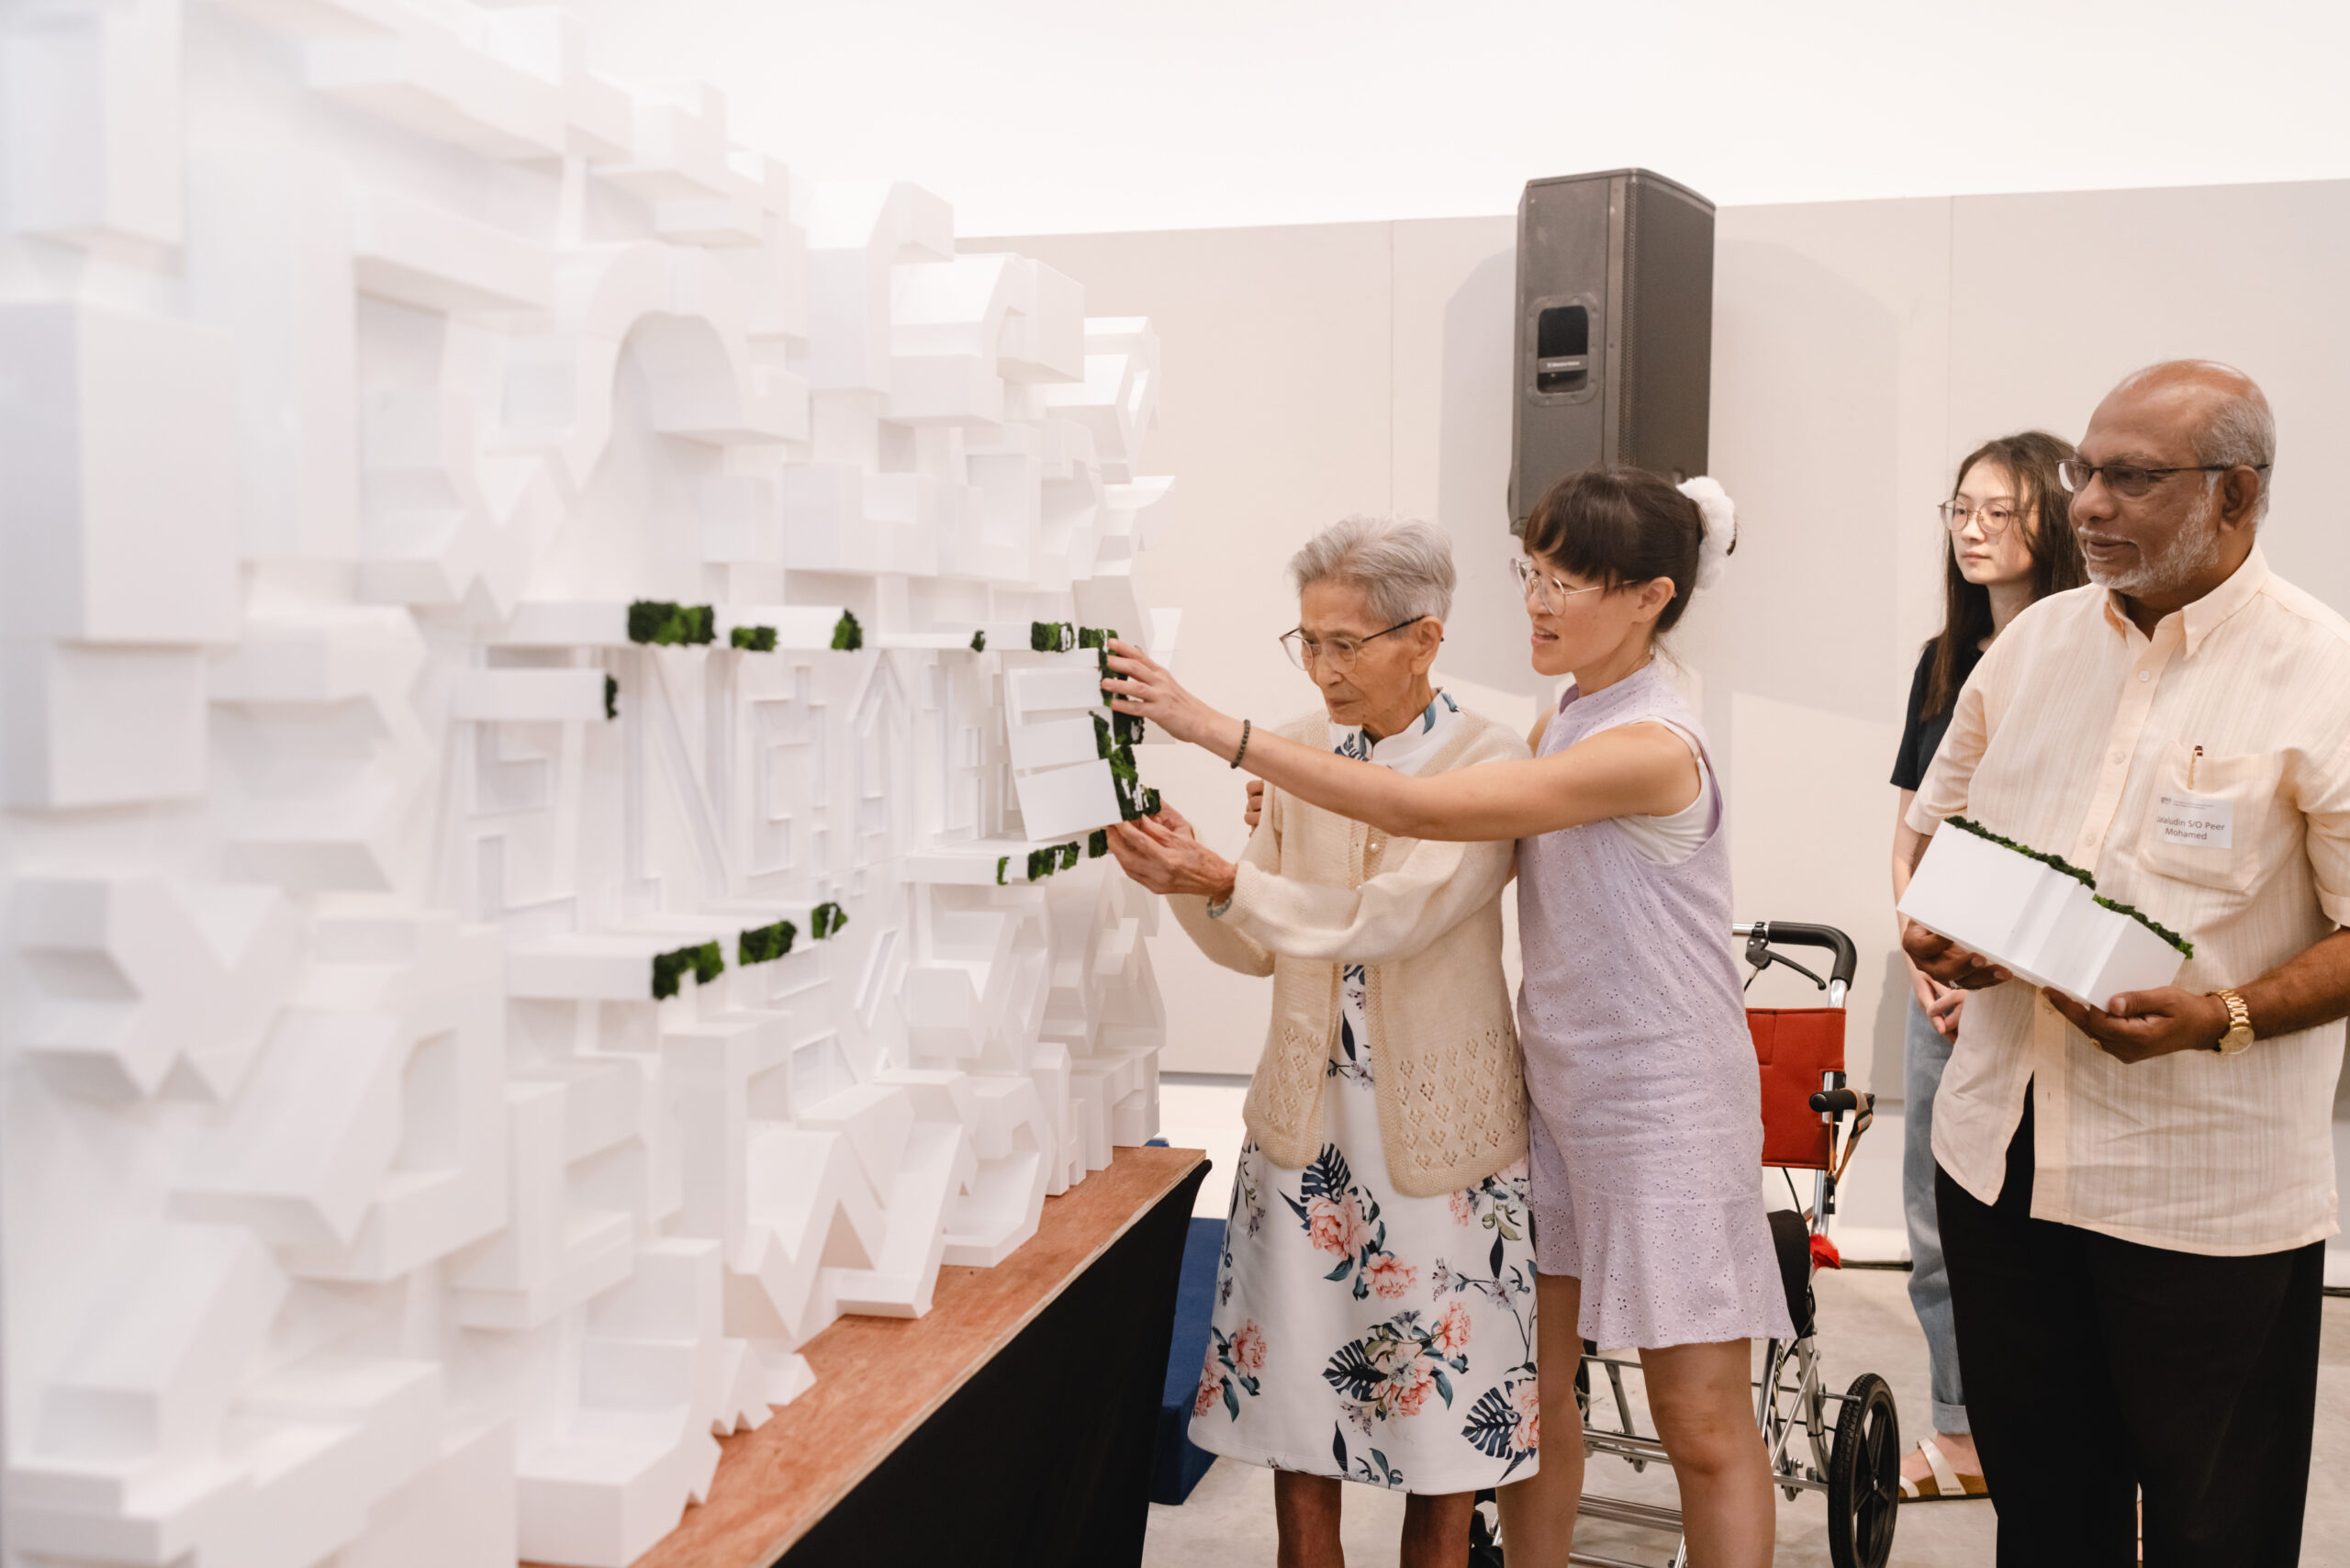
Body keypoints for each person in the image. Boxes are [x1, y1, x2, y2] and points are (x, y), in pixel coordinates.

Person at [1108, 470, 1789, 1568]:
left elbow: (1417, 814)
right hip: (1553, 1088)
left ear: (1652, 595)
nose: (1538, 598)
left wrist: (1209, 731)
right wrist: (1223, 853)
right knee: (1533, 1398)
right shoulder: (1564, 710)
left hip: (1660, 1099)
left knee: (1700, 1420)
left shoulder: (1648, 743)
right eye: (1532, 570)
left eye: (1568, 579)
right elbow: (1305, 885)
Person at [1904, 361, 2350, 1567]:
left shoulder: (2325, 672)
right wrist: (1934, 930)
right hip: (2002, 1155)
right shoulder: (2037, 644)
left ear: (2237, 497)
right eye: (2084, 472)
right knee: (2048, 1514)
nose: (2089, 504)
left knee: (2217, 1525)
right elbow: (1935, 829)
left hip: (2205, 1187)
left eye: (2132, 478)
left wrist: (2225, 1015)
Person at [1105, 516, 1539, 1568]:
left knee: (1440, 1453)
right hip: (1303, 1137)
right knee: (1299, 1429)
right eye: (1308, 640)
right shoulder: (1300, 741)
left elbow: (1395, 918)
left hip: (1441, 1156)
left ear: (1424, 637)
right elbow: (1259, 949)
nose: (1325, 667)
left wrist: (1230, 882)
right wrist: (1185, 879)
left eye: (1348, 642)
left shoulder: (1496, 754)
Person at [1887, 431, 2084, 1501]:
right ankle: (1961, 1434)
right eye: (1960, 509)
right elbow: (1908, 829)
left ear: (2051, 521)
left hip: (2039, 978)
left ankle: (2088, 1457)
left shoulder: (2086, 663)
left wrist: (1986, 964)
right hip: (1941, 968)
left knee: (2050, 1218)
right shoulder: (1941, 659)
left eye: (1998, 511)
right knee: (1931, 1211)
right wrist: (1922, 950)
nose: (1972, 529)